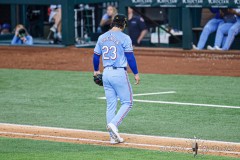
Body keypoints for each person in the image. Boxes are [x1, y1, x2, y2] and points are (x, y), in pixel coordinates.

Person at [93, 14, 140, 144]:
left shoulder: (102, 37)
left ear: (113, 23)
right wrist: (136, 73)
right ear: (123, 24)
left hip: (106, 73)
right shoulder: (125, 38)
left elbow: (96, 56)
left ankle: (112, 137)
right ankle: (114, 124)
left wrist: (96, 71)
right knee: (128, 102)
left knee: (111, 105)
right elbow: (130, 57)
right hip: (119, 73)